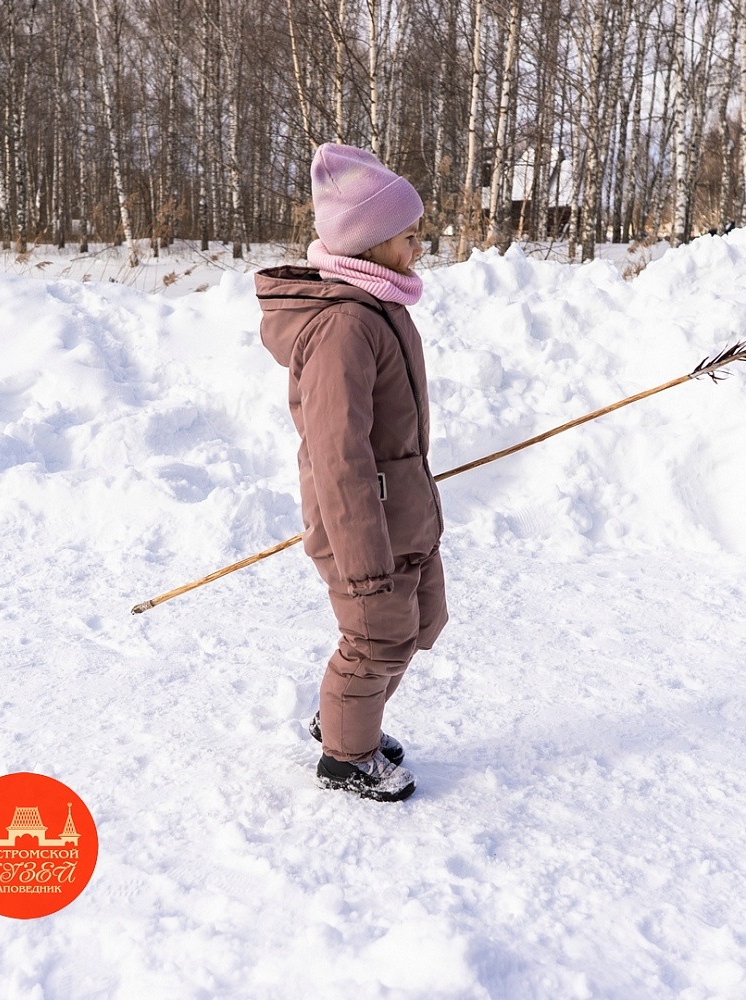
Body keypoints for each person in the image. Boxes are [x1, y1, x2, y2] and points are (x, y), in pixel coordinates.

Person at [254, 144, 447, 802]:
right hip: (365, 519)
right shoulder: (344, 325)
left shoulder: (380, 309)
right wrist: (362, 556)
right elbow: (338, 454)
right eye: (411, 236)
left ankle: (344, 712)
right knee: (376, 634)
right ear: (372, 243)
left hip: (404, 508)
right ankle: (347, 754)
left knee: (421, 620)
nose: (421, 247)